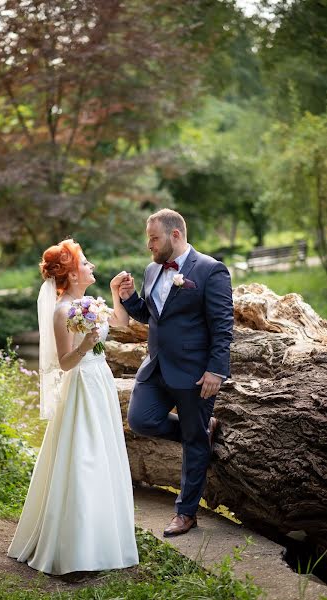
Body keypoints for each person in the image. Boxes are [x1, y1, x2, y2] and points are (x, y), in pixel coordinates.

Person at [8, 239, 139, 575]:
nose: (91, 265)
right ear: (71, 272)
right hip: (80, 385)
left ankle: (103, 537)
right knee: (83, 456)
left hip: (101, 383)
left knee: (103, 453)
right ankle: (77, 549)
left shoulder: (89, 302)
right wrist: (85, 344)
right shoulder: (62, 311)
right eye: (85, 262)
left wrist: (114, 293)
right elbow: (65, 363)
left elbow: (122, 323)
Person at [118, 208, 233, 537]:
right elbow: (152, 315)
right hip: (155, 367)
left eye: (153, 238)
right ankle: (200, 431)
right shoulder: (152, 270)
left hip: (195, 373)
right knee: (141, 419)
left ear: (175, 235)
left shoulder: (211, 270)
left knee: (194, 443)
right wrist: (129, 299)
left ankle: (186, 513)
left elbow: (223, 326)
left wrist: (216, 370)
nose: (149, 245)